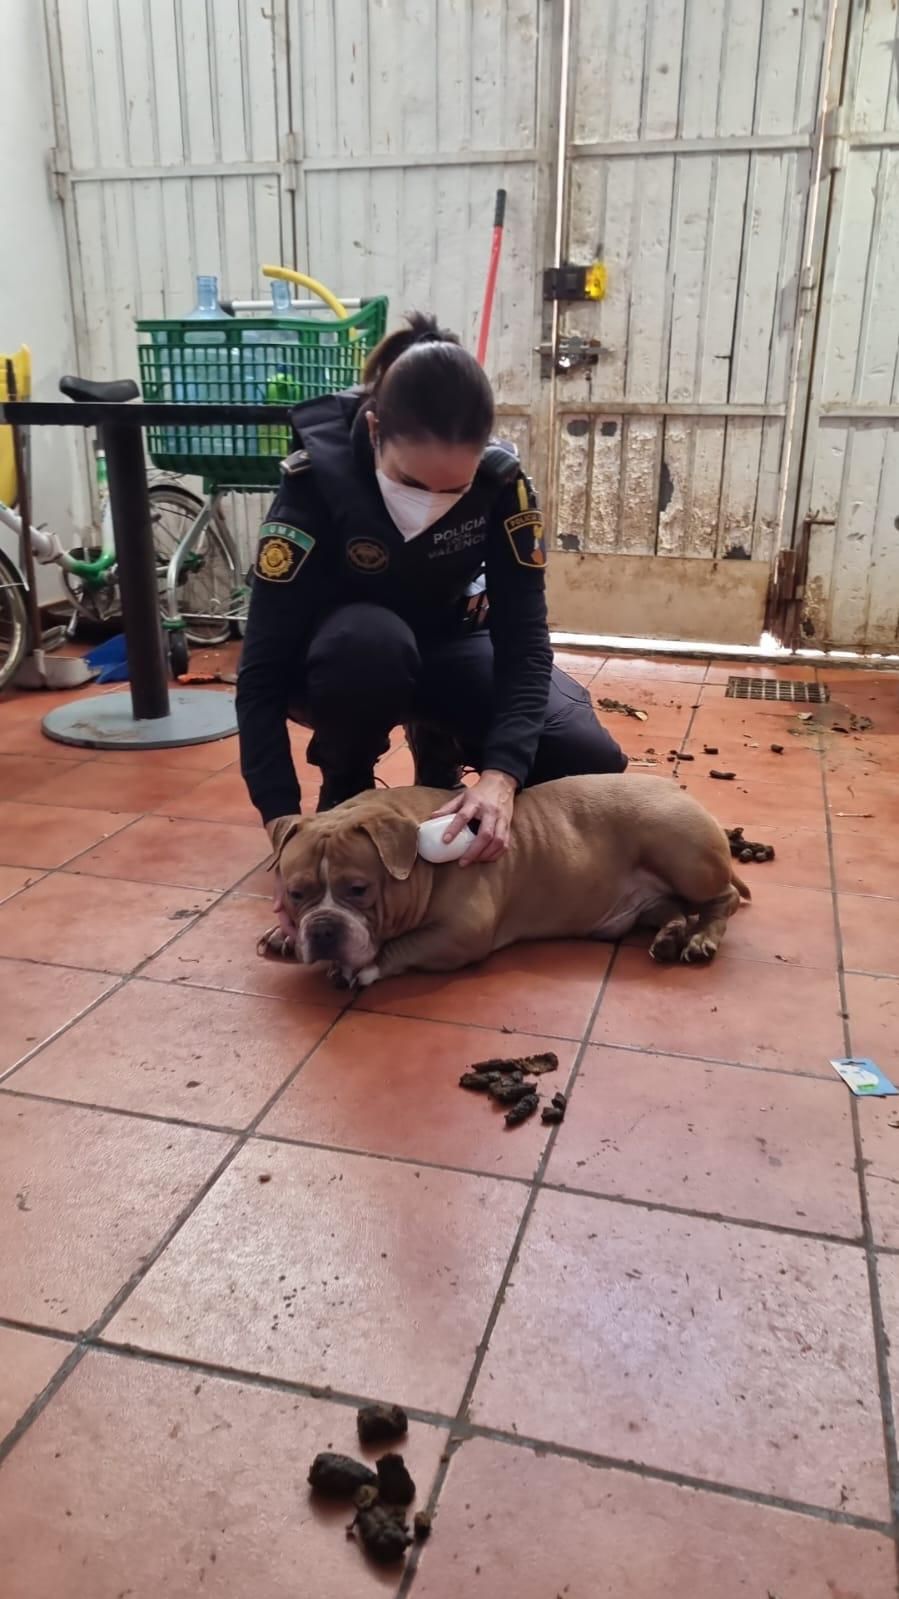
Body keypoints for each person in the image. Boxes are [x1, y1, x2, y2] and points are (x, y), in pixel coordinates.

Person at [237, 312, 626, 937]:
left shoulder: (502, 484)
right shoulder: (314, 485)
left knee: (588, 764)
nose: (432, 503)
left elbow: (525, 646)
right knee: (369, 642)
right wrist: (283, 828)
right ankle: (347, 783)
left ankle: (438, 747)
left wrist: (502, 778)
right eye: (412, 482)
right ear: (374, 430)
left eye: (454, 489)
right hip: (350, 662)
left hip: (451, 643)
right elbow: (257, 680)